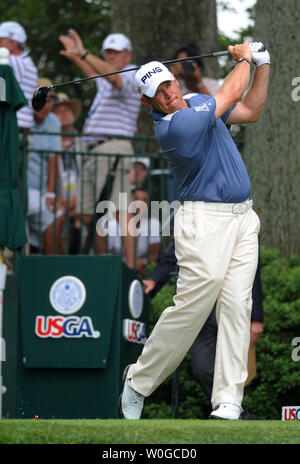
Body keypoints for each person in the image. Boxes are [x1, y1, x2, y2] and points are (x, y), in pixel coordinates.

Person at [120, 40, 270, 420]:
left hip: (242, 218)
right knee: (192, 305)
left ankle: (228, 401)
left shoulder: (198, 102)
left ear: (174, 78)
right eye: (159, 92)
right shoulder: (174, 127)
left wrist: (263, 65)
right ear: (147, 102)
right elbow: (233, 89)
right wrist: (245, 59)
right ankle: (138, 381)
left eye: (170, 83)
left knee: (238, 306)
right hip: (203, 221)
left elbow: (250, 109)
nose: (170, 94)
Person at [143, 237, 265, 420]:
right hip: (200, 312)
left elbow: (251, 272)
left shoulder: (238, 219)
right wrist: (154, 280)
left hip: (232, 308)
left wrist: (256, 318)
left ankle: (232, 409)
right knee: (201, 369)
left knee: (234, 366)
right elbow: (171, 258)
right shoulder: (191, 215)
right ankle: (231, 411)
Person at [59, 29, 141, 266]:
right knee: (89, 215)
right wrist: (76, 56)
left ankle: (132, 267)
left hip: (113, 148)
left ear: (128, 55)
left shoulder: (130, 73)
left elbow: (113, 77)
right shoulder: (107, 82)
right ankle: (102, 265)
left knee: (120, 210)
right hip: (95, 152)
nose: (111, 56)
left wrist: (83, 52)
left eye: (116, 53)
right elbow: (94, 74)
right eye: (108, 53)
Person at [27, 78, 65, 254]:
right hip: (17, 189)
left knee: (55, 217)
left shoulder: (53, 122)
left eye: (49, 100)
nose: (46, 104)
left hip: (39, 193)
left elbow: (52, 160)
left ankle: (54, 272)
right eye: (42, 98)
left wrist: (50, 193)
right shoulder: (21, 116)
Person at [98, 187, 160, 276]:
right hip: (112, 269)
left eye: (145, 200)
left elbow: (153, 256)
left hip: (140, 270)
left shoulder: (153, 224)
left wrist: (143, 262)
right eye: (136, 199)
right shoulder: (107, 223)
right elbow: (101, 256)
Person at [52, 92, 83, 253]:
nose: (64, 114)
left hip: (81, 198)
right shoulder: (50, 141)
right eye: (59, 111)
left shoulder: (83, 141)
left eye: (68, 110)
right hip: (58, 199)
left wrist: (77, 200)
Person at [0, 21, 38, 130]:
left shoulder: (16, 62)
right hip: (17, 125)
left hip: (13, 125)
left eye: (0, 41)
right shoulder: (26, 62)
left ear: (12, 44)